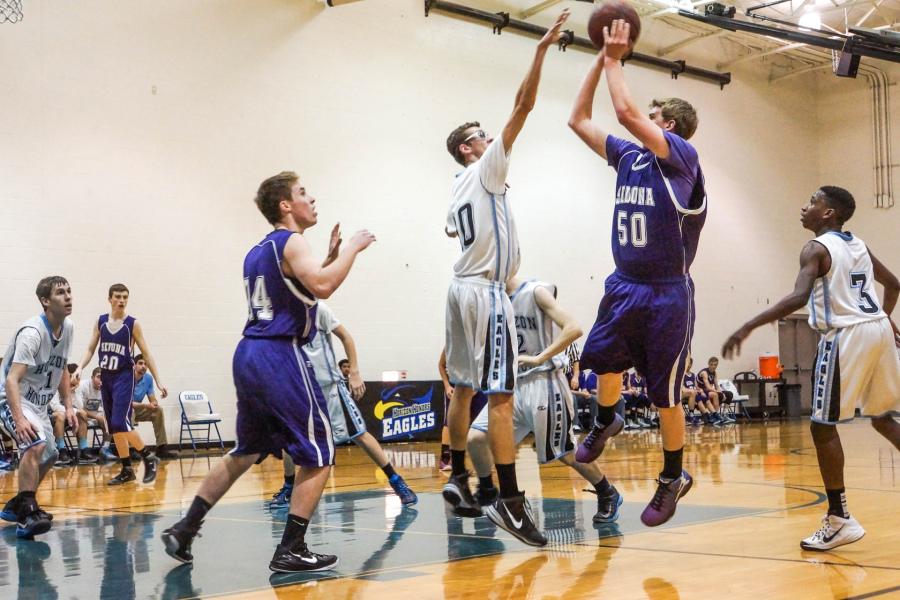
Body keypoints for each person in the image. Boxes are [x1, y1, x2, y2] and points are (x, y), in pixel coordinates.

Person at [161, 171, 375, 572]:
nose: (311, 198)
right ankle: (291, 548)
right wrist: (352, 250)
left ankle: (185, 527)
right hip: (280, 353)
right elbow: (324, 288)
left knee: (246, 451)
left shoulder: (258, 251)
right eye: (302, 192)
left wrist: (326, 258)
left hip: (250, 353)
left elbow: (300, 288)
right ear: (285, 205)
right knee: (320, 453)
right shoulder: (292, 241)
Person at [568, 19, 706, 526]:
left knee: (666, 395)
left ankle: (673, 477)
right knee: (601, 361)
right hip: (624, 284)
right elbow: (578, 119)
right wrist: (596, 57)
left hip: (667, 294)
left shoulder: (683, 160)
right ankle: (607, 419)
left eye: (654, 116)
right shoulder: (629, 157)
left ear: (669, 126)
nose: (640, 118)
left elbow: (624, 112)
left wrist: (614, 56)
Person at [441, 9, 570, 548]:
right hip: (486, 293)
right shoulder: (486, 170)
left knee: (463, 388)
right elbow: (524, 105)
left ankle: (457, 476)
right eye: (480, 136)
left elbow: (453, 232)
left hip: (458, 289)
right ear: (470, 149)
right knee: (500, 396)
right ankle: (510, 502)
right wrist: (540, 51)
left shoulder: (456, 188)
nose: (490, 137)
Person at [723, 185, 900, 551]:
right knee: (883, 418)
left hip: (845, 335)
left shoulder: (815, 248)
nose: (804, 207)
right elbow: (894, 285)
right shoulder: (859, 245)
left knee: (822, 427)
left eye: (813, 202)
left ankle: (839, 519)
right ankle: (839, 519)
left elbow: (798, 298)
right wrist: (883, 317)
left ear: (828, 214)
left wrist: (748, 325)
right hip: (878, 330)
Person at [467, 277, 623, 523]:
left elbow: (574, 327)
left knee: (565, 453)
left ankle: (608, 492)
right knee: (476, 438)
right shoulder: (493, 304)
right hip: (513, 387)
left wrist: (540, 357)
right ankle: (493, 494)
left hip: (545, 382)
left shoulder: (536, 292)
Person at [270, 301, 416, 508]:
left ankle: (396, 480)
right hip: (301, 389)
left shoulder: (319, 309)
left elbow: (346, 337)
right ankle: (289, 486)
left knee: (360, 434)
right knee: (289, 438)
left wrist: (354, 372)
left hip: (330, 388)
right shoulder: (281, 314)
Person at [0, 276, 77, 538]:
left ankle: (19, 502)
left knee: (51, 454)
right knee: (35, 444)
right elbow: (11, 379)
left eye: (69, 291)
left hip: (39, 404)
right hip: (12, 398)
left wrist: (68, 406)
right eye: (60, 292)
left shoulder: (68, 327)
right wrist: (20, 419)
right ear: (45, 301)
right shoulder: (32, 334)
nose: (68, 296)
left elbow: (63, 368)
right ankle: (27, 514)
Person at [76, 284, 167, 485]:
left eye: (125, 297)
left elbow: (147, 353)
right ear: (109, 299)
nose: (122, 300)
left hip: (124, 377)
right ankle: (127, 469)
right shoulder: (101, 321)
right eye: (117, 297)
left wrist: (159, 381)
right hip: (107, 377)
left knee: (119, 422)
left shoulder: (132, 324)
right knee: (114, 427)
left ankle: (148, 457)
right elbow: (91, 348)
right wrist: (80, 367)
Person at [437, 349, 487, 471]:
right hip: (456, 386)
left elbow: (487, 367)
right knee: (449, 422)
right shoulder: (451, 343)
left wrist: (478, 386)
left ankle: (486, 457)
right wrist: (447, 386)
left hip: (478, 386)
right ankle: (446, 458)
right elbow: (441, 365)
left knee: (484, 421)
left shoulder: (481, 343)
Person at [49, 364, 96, 466]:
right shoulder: (55, 385)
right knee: (61, 415)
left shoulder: (77, 389)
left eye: (76, 377)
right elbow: (55, 406)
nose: (73, 380)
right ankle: (61, 449)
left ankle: (83, 449)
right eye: (70, 376)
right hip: (52, 417)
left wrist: (71, 392)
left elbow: (80, 406)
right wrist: (75, 411)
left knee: (82, 415)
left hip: (70, 417)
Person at [131, 354, 176, 459]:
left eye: (146, 364)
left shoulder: (148, 378)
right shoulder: (127, 377)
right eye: (140, 363)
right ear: (134, 365)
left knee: (158, 410)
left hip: (137, 409)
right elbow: (127, 403)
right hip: (123, 410)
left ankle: (161, 448)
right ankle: (131, 450)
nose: (143, 366)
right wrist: (146, 405)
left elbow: (152, 399)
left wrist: (154, 403)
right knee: (130, 411)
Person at [77, 367, 117, 460]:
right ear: (92, 377)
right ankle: (84, 449)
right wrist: (96, 417)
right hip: (81, 415)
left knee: (109, 419)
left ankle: (105, 448)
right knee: (81, 415)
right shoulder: (82, 385)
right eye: (99, 377)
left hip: (95, 415)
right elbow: (79, 408)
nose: (101, 380)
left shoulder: (106, 388)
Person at [698, 357, 733, 424]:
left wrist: (721, 392)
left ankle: (724, 414)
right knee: (716, 394)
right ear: (708, 364)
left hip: (709, 391)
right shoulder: (704, 372)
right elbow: (708, 387)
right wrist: (720, 393)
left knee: (729, 394)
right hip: (702, 391)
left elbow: (716, 386)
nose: (713, 366)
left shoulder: (714, 373)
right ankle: (715, 415)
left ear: (717, 365)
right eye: (711, 364)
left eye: (715, 365)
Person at [681, 358, 711, 426]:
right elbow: (683, 388)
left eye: (690, 363)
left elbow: (696, 386)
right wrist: (693, 391)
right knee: (695, 395)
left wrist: (700, 390)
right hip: (685, 394)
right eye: (687, 363)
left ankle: (711, 414)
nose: (689, 365)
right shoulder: (681, 374)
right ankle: (704, 415)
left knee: (705, 394)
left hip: (693, 392)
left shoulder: (693, 375)